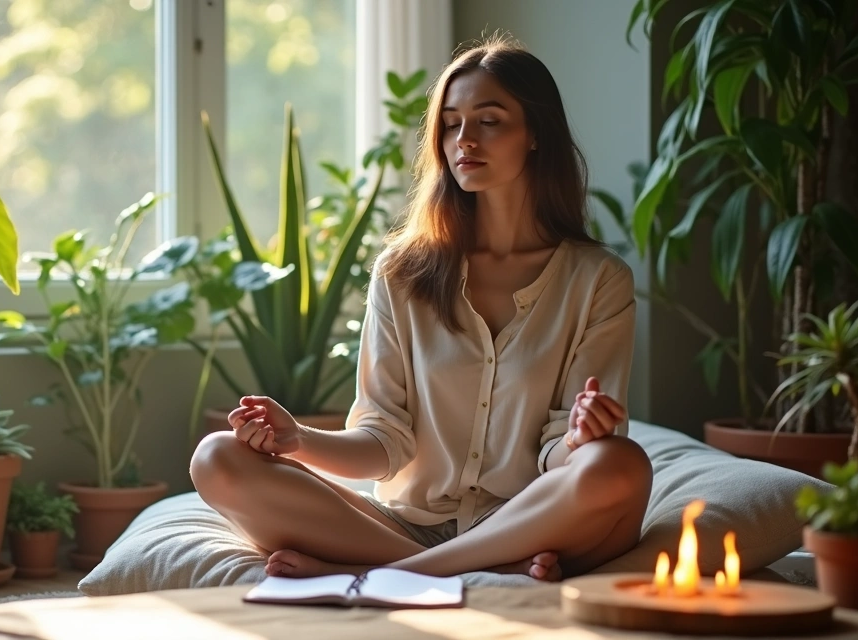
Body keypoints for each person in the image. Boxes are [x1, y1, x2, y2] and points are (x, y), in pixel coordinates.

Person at [189, 35, 650, 582]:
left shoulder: (599, 280)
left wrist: (578, 436)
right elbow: (384, 442)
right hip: (405, 526)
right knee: (216, 458)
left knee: (618, 464)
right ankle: (455, 570)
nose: (464, 140)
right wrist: (298, 440)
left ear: (535, 135)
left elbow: (562, 454)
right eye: (451, 123)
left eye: (490, 120)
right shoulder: (401, 272)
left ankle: (392, 572)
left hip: (531, 522)